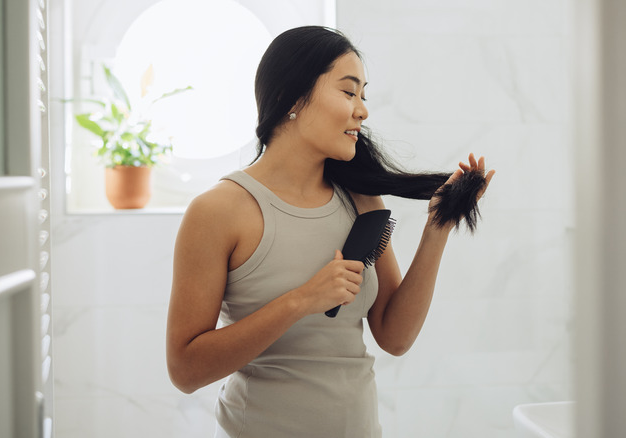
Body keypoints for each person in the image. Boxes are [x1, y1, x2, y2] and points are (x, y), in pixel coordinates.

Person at [166, 26, 495, 437]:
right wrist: (301, 300)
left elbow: (395, 337)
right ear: (291, 98)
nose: (362, 111)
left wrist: (438, 227)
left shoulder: (362, 200)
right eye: (348, 92)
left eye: (363, 96)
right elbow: (185, 370)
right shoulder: (218, 211)